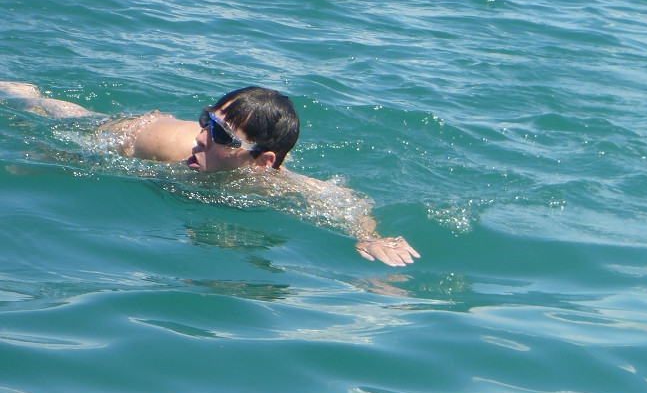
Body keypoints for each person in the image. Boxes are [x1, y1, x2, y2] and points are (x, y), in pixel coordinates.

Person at [0, 81, 420, 266]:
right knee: (62, 118)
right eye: (206, 120)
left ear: (262, 162)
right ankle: (23, 92)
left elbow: (347, 202)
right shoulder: (171, 144)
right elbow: (93, 160)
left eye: (219, 133)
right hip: (134, 135)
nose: (201, 138)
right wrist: (43, 159)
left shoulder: (277, 184)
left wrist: (370, 234)